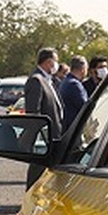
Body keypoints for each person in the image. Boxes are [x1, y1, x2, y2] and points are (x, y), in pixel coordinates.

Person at [23, 47, 64, 189]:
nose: (57, 65)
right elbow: (34, 113)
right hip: (43, 140)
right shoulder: (36, 80)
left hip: (53, 137)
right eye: (55, 61)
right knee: (37, 174)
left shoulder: (50, 81)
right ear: (48, 62)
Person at [58, 55, 89, 134]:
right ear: (82, 69)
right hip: (72, 130)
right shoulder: (74, 85)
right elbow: (85, 107)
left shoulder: (65, 82)